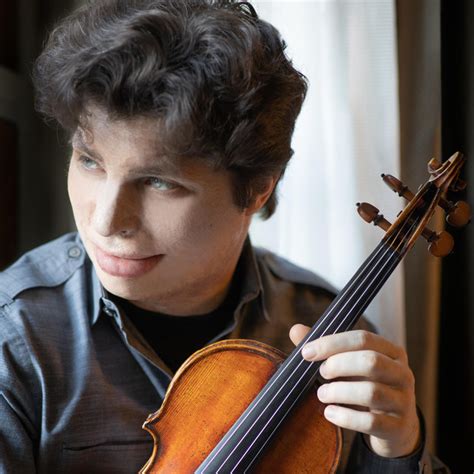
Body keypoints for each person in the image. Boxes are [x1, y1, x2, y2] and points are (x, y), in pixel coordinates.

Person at [0, 0, 448, 472]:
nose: (106, 221)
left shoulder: (326, 328)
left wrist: (402, 448)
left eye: (159, 182)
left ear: (257, 189)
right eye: (90, 161)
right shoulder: (15, 340)